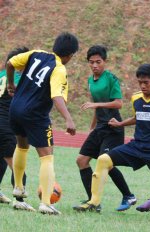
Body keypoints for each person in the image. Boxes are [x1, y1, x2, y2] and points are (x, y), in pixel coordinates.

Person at [73, 63, 150, 219]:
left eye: (146, 82)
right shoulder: (136, 98)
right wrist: (120, 124)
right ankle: (93, 202)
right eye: (140, 82)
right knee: (103, 160)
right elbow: (137, 117)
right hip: (137, 146)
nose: (142, 86)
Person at [6, 32, 79, 215]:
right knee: (47, 156)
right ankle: (46, 202)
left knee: (21, 147)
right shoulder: (59, 68)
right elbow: (56, 96)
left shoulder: (35, 53)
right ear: (70, 55)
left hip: (15, 108)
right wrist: (68, 118)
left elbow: (10, 63)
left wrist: (10, 84)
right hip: (35, 114)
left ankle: (19, 190)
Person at [73, 45, 136, 212]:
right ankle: (93, 202)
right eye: (91, 62)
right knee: (81, 161)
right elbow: (97, 106)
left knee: (104, 162)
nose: (94, 65)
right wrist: (92, 126)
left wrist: (96, 104)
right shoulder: (90, 80)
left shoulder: (111, 78)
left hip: (113, 127)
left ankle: (128, 195)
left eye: (98, 62)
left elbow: (118, 103)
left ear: (105, 62)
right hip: (100, 127)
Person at [0, 47, 31, 210]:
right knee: (17, 166)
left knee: (1, 160)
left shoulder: (1, 75)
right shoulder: (20, 77)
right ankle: (20, 200)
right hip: (5, 125)